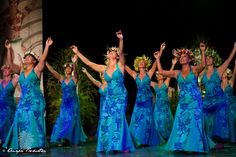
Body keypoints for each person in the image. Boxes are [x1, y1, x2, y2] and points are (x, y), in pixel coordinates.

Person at [71, 30, 135, 153]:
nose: (112, 53)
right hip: (109, 97)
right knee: (106, 119)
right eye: (110, 51)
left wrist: (121, 39)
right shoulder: (104, 68)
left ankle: (116, 145)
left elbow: (121, 53)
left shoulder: (120, 65)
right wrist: (78, 52)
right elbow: (89, 63)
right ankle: (108, 144)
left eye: (114, 52)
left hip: (120, 96)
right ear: (107, 55)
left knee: (117, 118)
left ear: (116, 56)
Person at [156, 42, 215, 152]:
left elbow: (203, 65)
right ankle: (182, 145)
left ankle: (195, 146)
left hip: (195, 101)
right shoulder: (176, 73)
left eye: (185, 57)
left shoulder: (195, 69)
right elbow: (162, 72)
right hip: (183, 103)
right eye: (181, 57)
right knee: (182, 124)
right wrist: (158, 58)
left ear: (189, 59)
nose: (182, 58)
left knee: (194, 123)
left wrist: (202, 51)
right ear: (179, 60)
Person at [3, 37, 53, 150]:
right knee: (19, 117)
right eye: (25, 57)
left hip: (36, 101)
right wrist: (9, 49)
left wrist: (47, 46)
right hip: (23, 100)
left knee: (33, 119)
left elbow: (43, 59)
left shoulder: (37, 69)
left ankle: (35, 145)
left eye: (29, 57)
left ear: (34, 61)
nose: (26, 58)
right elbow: (10, 64)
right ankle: (23, 144)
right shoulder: (20, 71)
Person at [125, 43, 166, 147]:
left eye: (143, 62)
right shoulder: (135, 74)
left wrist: (160, 50)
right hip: (139, 101)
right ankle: (137, 140)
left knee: (146, 120)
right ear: (137, 65)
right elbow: (124, 66)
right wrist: (118, 57)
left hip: (147, 100)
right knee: (137, 120)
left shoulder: (150, 73)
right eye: (140, 62)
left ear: (145, 64)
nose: (141, 63)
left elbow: (156, 63)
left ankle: (145, 140)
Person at [200, 42, 236, 144]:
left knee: (221, 108)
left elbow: (228, 60)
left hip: (218, 98)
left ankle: (219, 137)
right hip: (207, 100)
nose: (208, 59)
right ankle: (205, 137)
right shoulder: (202, 73)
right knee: (200, 111)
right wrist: (203, 51)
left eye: (210, 58)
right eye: (206, 58)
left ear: (213, 61)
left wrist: (234, 49)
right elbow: (194, 69)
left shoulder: (219, 70)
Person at [150, 57, 177, 142]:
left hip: (165, 106)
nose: (159, 75)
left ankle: (166, 136)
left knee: (165, 121)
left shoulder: (166, 82)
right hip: (158, 106)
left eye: (160, 74)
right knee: (158, 120)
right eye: (157, 75)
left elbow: (170, 73)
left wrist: (173, 64)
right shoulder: (154, 84)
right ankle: (158, 136)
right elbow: (146, 79)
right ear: (157, 77)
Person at [82, 67, 108, 137]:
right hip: (102, 105)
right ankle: (103, 134)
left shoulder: (110, 84)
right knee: (102, 119)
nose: (103, 76)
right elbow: (92, 79)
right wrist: (86, 72)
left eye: (104, 74)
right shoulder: (100, 84)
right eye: (102, 75)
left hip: (109, 105)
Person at [221, 60, 236, 143]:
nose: (222, 73)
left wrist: (235, 65)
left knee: (232, 117)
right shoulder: (218, 84)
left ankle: (233, 138)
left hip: (231, 104)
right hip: (223, 105)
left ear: (227, 74)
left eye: (224, 71)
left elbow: (234, 74)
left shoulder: (231, 82)